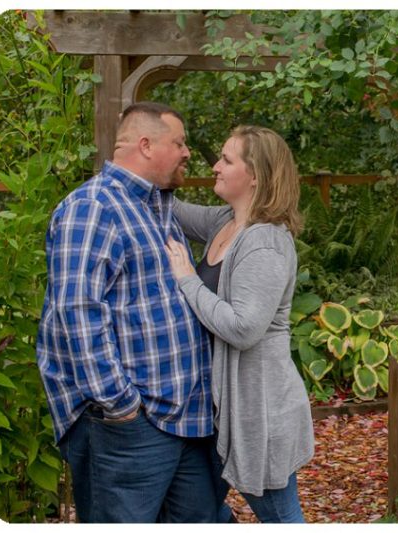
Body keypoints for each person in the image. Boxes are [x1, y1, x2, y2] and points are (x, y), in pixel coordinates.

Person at [36, 102, 221, 522]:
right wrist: (120, 405)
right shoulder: (93, 207)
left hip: (184, 420)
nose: (188, 152)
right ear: (146, 145)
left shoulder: (159, 210)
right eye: (180, 142)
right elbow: (77, 312)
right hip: (130, 425)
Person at [164, 125, 315, 523]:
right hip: (223, 410)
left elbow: (244, 328)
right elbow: (170, 208)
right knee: (192, 508)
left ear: (255, 176)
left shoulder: (264, 242)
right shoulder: (223, 222)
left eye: (226, 160)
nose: (214, 166)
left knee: (281, 518)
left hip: (259, 413)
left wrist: (187, 280)